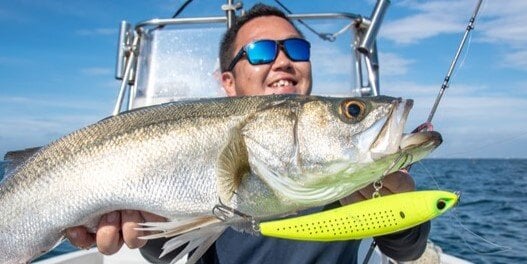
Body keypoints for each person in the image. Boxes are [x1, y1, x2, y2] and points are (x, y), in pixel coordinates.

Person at [67, 3, 430, 263]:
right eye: (260, 52)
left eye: (297, 49)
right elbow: (168, 252)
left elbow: (406, 250)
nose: (284, 61)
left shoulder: (340, 152)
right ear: (228, 81)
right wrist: (143, 226)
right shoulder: (190, 137)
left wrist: (400, 212)